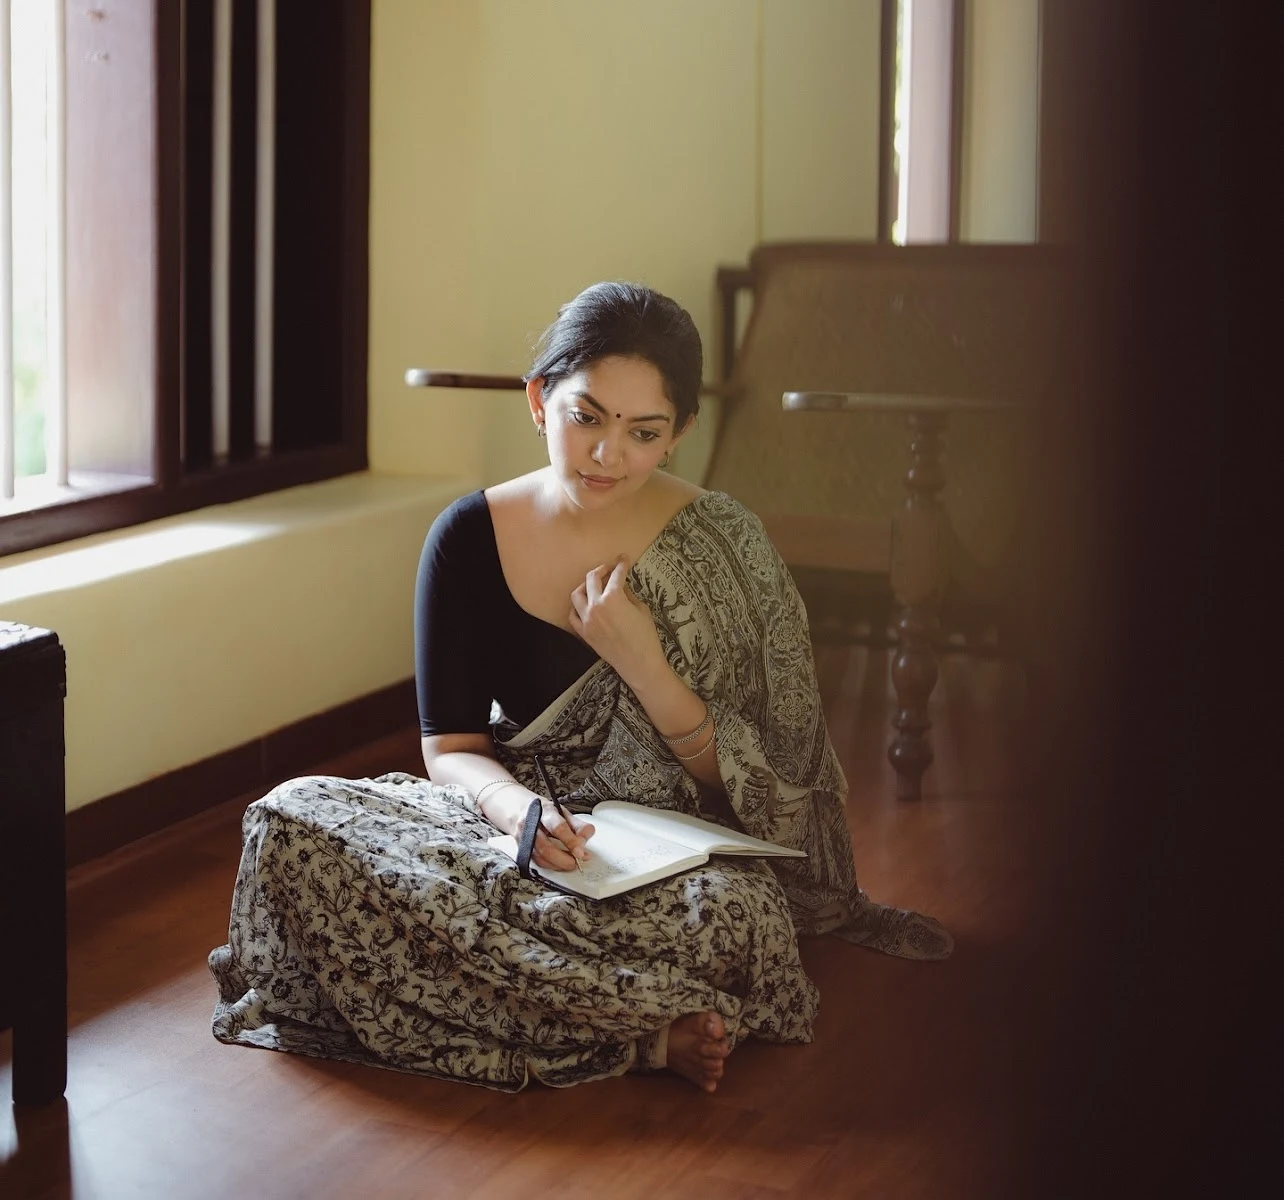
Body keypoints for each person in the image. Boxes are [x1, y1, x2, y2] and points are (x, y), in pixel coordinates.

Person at [209, 283, 950, 1093]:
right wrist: (522, 815)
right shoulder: (468, 535)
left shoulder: (725, 544)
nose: (607, 455)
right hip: (512, 834)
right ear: (539, 401)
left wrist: (644, 663)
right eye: (586, 418)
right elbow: (450, 746)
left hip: (669, 862)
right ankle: (638, 1033)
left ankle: (558, 1015)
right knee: (291, 822)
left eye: (644, 433)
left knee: (733, 921)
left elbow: (772, 792)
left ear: (680, 433)